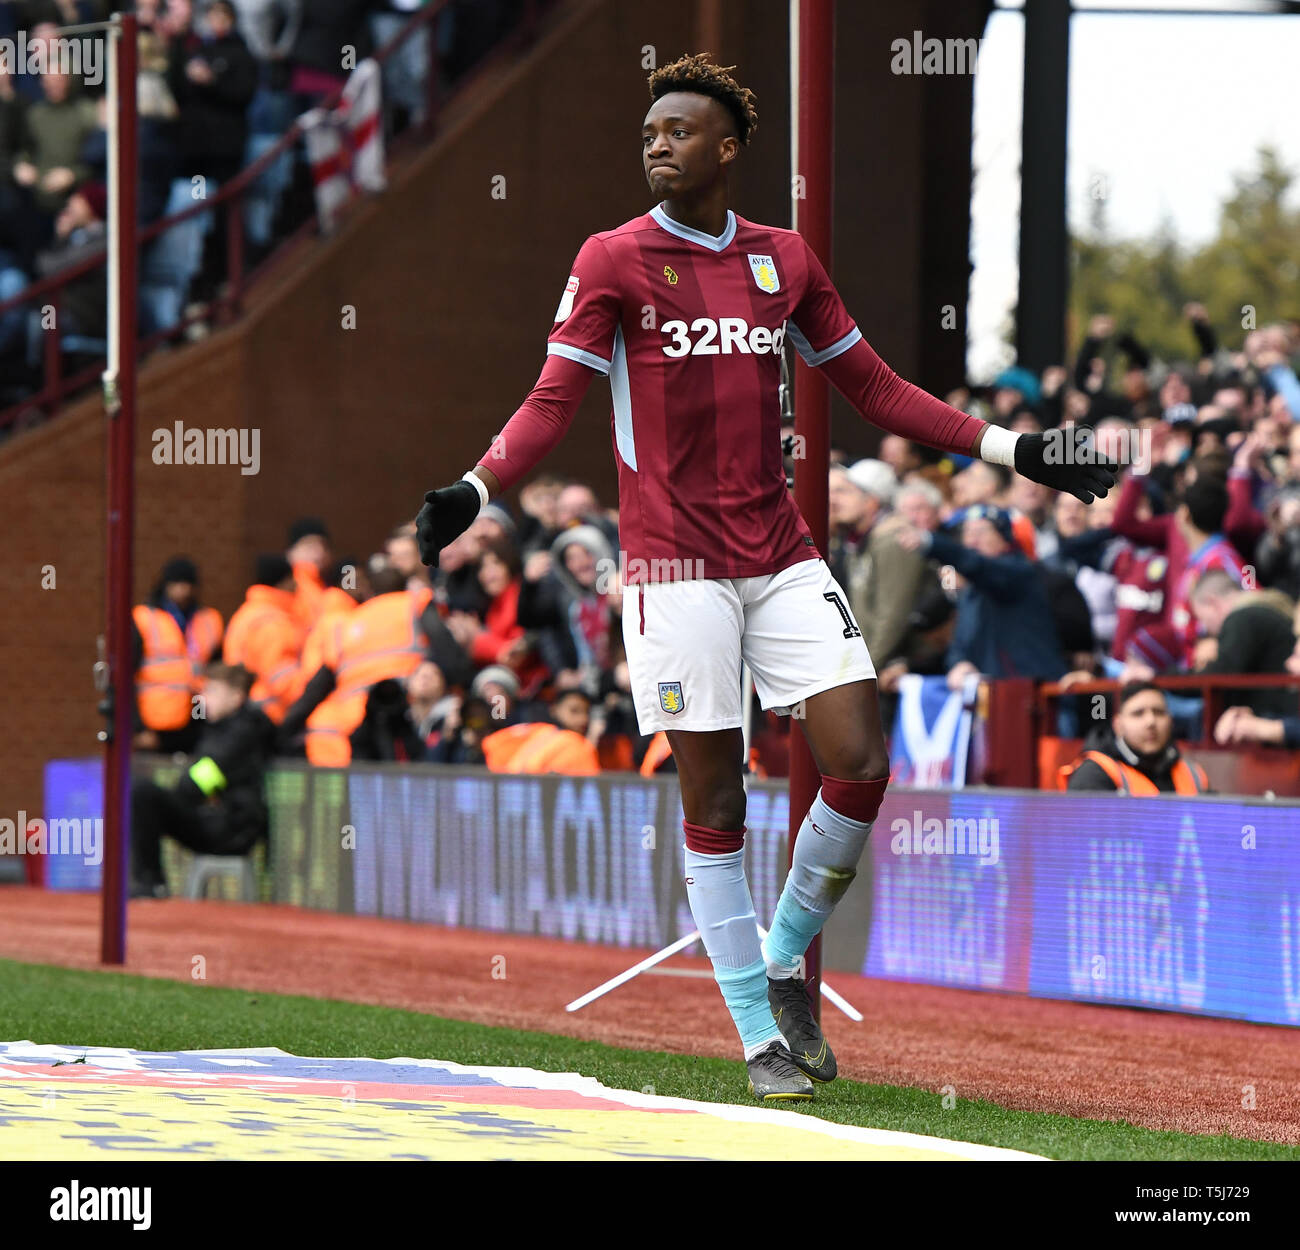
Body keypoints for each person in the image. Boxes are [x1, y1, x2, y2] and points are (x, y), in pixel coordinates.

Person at [411, 54, 1113, 1103]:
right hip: (674, 567)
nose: (657, 144)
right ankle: (759, 1036)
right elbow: (554, 396)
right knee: (717, 798)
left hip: (778, 551)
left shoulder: (782, 260)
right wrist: (478, 486)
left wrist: (1020, 449)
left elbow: (874, 387)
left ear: (727, 149)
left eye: (679, 130)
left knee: (860, 760)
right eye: (649, 131)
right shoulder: (611, 258)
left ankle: (784, 956)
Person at [129, 661, 276, 898]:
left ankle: (151, 884)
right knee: (142, 792)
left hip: (233, 829)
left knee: (144, 794)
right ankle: (148, 882)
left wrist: (175, 801)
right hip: (213, 819)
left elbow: (204, 776)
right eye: (205, 691)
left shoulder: (243, 732)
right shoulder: (214, 727)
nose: (205, 699)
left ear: (237, 697)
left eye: (214, 692)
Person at [1060, 682, 1210, 795]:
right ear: (1118, 725)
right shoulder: (1094, 773)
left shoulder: (1193, 774)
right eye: (1138, 713)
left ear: (1171, 721)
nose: (1151, 722)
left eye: (1158, 712)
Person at [222, 553, 303, 723]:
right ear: (283, 582)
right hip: (267, 716)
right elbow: (281, 677)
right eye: (292, 578)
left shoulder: (246, 613)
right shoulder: (273, 622)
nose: (297, 585)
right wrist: (306, 703)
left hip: (243, 711)